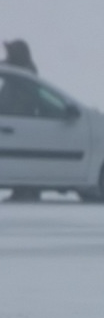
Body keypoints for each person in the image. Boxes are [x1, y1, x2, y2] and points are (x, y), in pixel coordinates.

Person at [2, 40, 40, 202]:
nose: (7, 54)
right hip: (15, 120)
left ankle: (27, 190)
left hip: (20, 121)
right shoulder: (18, 68)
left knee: (21, 156)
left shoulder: (24, 71)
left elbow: (21, 101)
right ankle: (22, 189)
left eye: (10, 51)